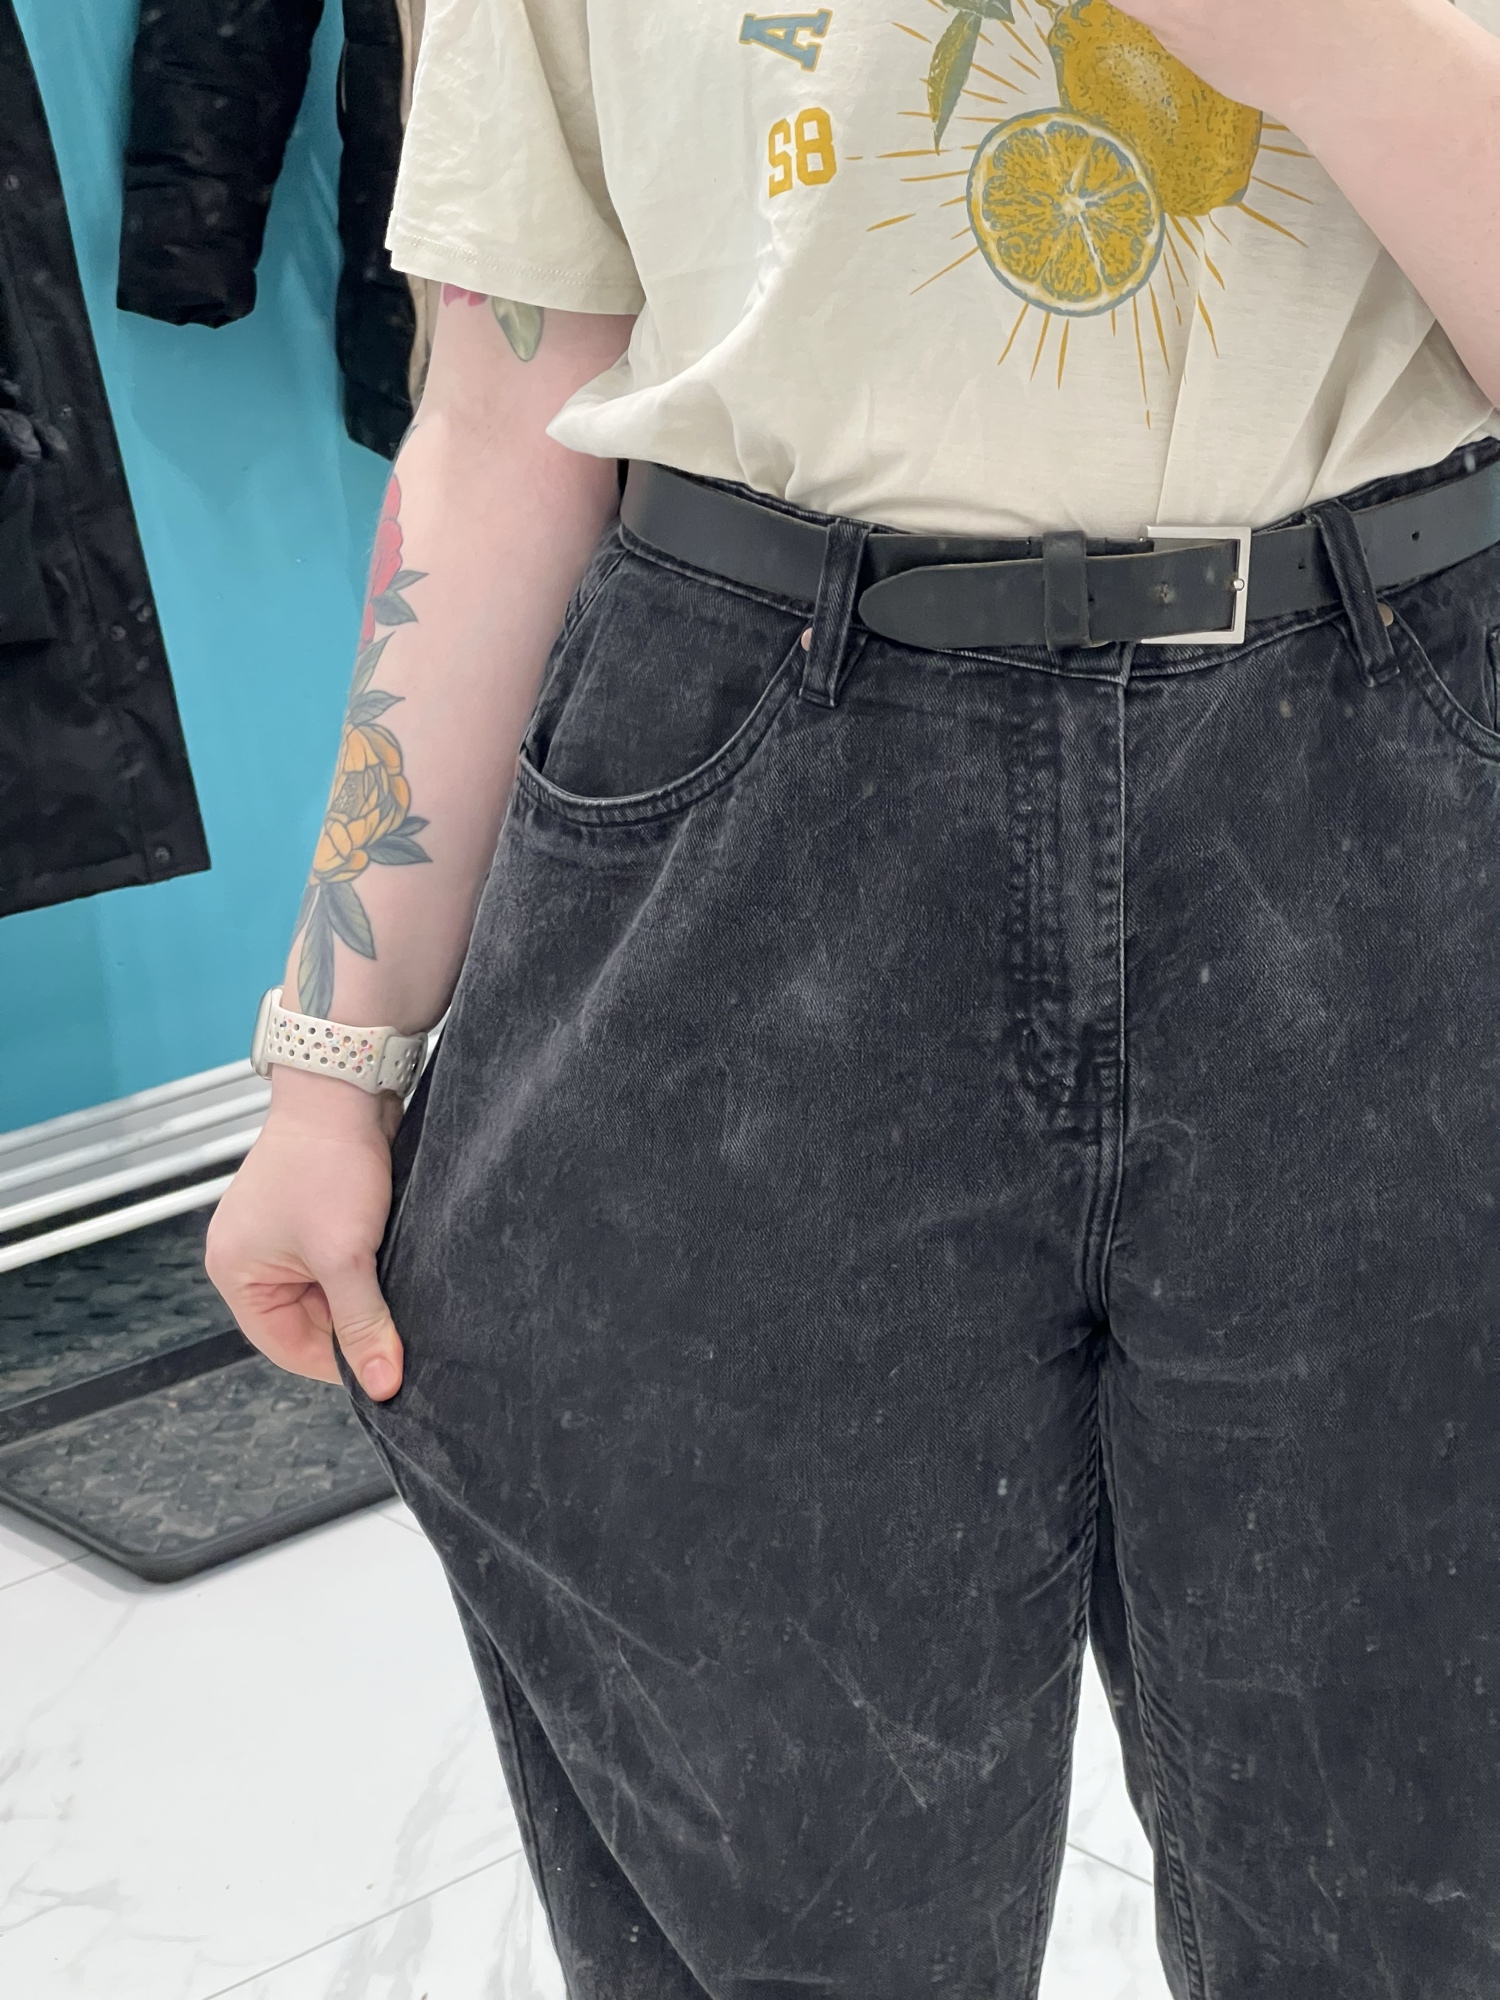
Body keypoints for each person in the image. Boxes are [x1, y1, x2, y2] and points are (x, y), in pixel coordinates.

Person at [207, 0, 1500, 1991]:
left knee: (1426, 1862)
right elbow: (499, 416)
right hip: (754, 800)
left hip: (1392, 784)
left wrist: (1331, 47)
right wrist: (329, 1059)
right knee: (773, 1876)